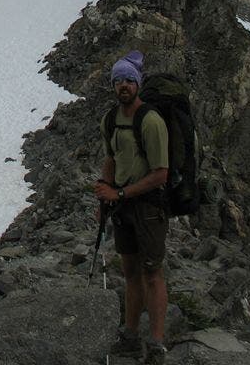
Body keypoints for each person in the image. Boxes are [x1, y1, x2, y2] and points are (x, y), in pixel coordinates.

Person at [94, 51, 169, 365]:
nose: (123, 85)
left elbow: (160, 174)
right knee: (130, 272)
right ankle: (131, 335)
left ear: (137, 83)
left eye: (128, 80)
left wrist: (119, 193)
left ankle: (156, 344)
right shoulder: (111, 119)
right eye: (118, 81)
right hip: (123, 206)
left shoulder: (150, 121)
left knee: (152, 272)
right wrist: (105, 198)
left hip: (148, 208)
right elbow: (111, 158)